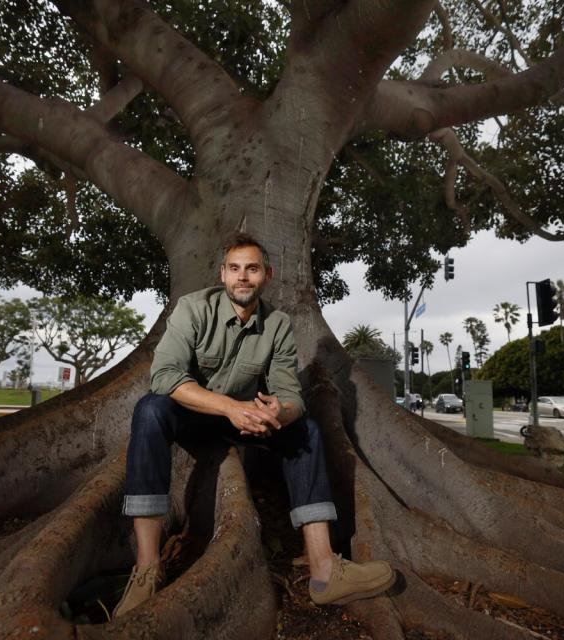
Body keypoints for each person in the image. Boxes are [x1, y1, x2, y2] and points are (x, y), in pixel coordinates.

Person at [115, 233, 395, 618]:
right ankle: (147, 569)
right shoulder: (193, 309)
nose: (242, 277)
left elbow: (291, 395)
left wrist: (276, 415)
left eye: (252, 269)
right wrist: (229, 407)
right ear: (223, 274)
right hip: (195, 416)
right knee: (149, 410)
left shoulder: (277, 324)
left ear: (267, 274)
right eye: (234, 269)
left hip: (246, 421)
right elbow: (164, 376)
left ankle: (325, 569)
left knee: (308, 432)